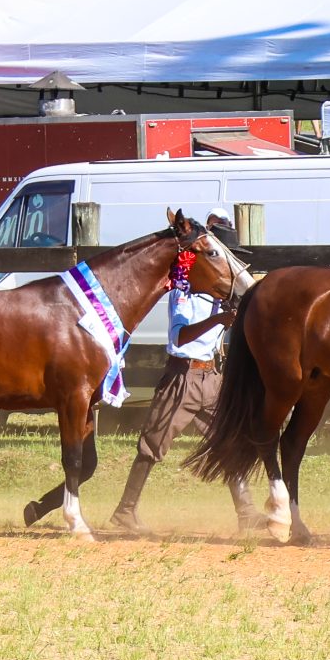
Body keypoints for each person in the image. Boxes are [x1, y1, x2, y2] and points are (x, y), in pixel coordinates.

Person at [97, 211, 257, 534]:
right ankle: (125, 511)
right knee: (152, 445)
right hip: (183, 378)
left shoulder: (223, 295)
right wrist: (218, 320)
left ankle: (247, 513)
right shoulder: (183, 292)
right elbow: (179, 337)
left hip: (211, 377)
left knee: (228, 441)